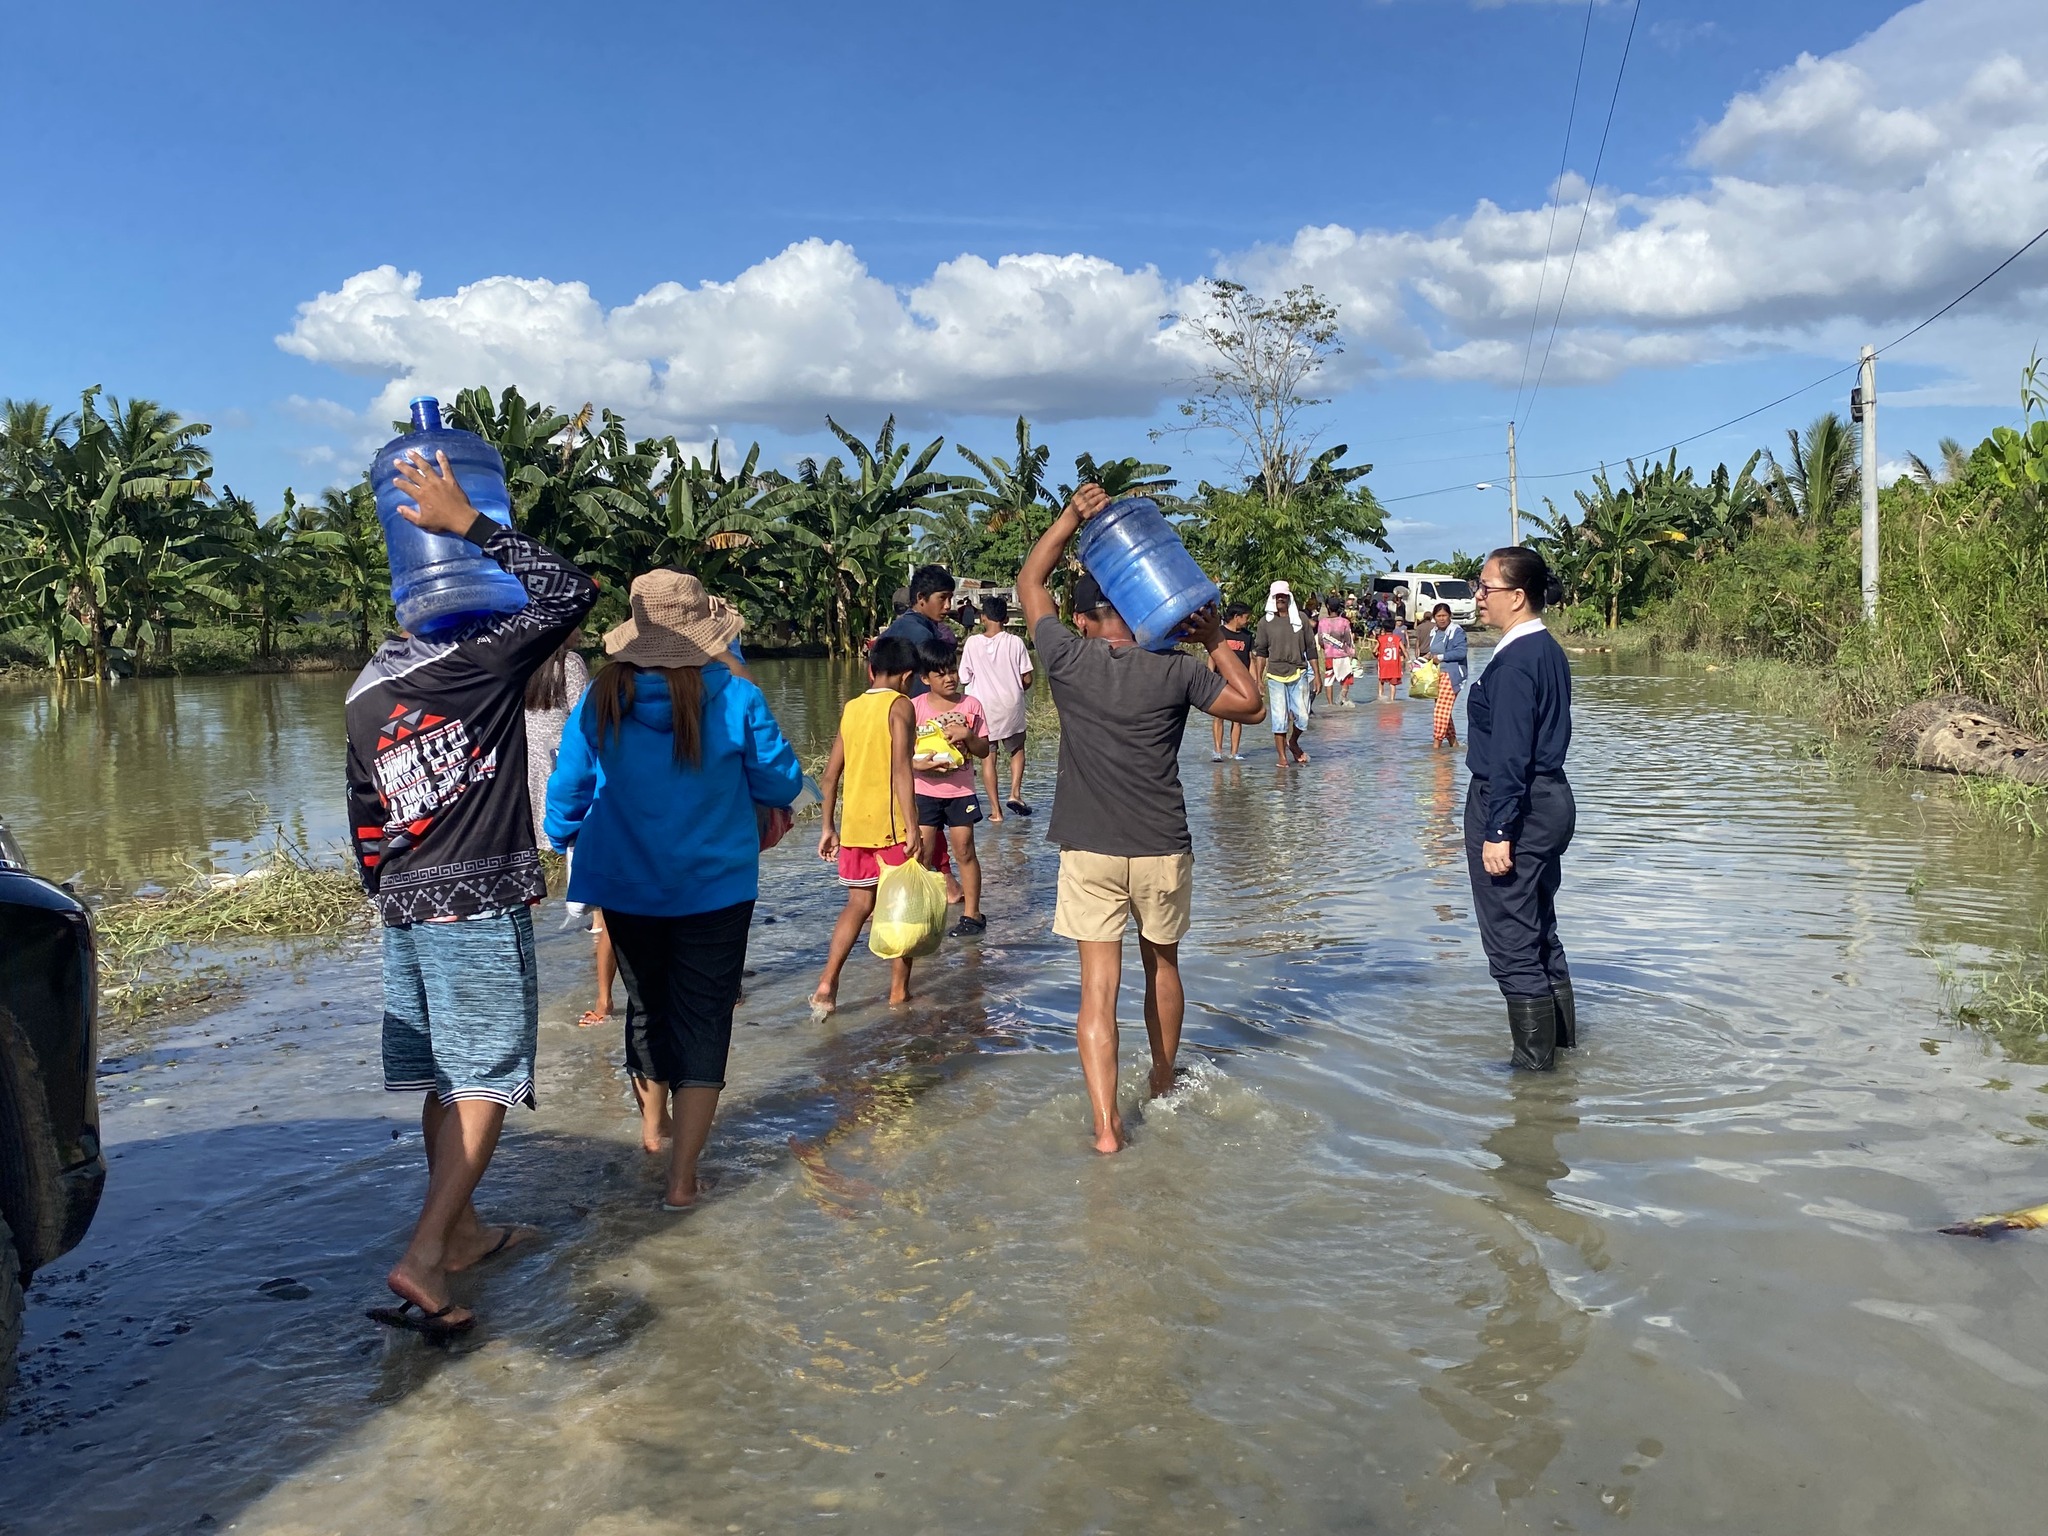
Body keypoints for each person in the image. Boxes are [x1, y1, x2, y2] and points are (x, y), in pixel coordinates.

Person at [345, 447, 598, 1339]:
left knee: (446, 1080)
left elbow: (365, 818)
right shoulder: (479, 665)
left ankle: (461, 1233)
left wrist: (396, 893)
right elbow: (571, 595)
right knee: (487, 1081)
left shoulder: (370, 683)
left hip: (407, 911)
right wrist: (477, 526)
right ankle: (423, 1258)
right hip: (476, 906)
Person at [1020, 484, 1267, 1154]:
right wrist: (1216, 638)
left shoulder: (1068, 661)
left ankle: (1106, 1129)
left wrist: (1071, 517)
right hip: (1160, 846)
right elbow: (1252, 708)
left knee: (1097, 991)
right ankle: (1162, 1081)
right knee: (1163, 965)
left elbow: (1030, 579)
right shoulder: (1178, 673)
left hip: (1090, 849)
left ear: (1091, 619)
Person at [543, 570, 802, 1207]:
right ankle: (684, 1180)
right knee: (704, 1019)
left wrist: (561, 836)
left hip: (626, 886)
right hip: (716, 887)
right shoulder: (736, 697)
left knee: (647, 1004)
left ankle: (653, 1130)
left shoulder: (603, 695)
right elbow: (781, 783)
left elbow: (567, 788)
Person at [1466, 546, 1577, 1071]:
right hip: (1549, 800)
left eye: (1485, 587)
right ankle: (1563, 1057)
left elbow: (1511, 753)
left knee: (1512, 943)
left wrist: (1498, 829)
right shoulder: (1546, 650)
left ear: (1517, 596)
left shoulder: (1514, 663)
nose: (1478, 596)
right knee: (1538, 931)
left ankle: (1535, 1085)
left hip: (1516, 804)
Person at [812, 636, 926, 1010]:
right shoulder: (901, 706)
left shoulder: (852, 708)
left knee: (858, 905)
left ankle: (828, 984)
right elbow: (901, 770)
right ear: (907, 676)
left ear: (870, 670)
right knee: (901, 911)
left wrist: (828, 827)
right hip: (891, 828)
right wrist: (913, 827)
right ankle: (898, 993)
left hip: (855, 828)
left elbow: (830, 776)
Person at [911, 637, 991, 938]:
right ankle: (922, 913)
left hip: (960, 792)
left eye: (952, 671)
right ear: (925, 678)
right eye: (940, 674)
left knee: (965, 849)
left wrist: (967, 736)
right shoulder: (913, 707)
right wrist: (916, 764)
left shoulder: (971, 705)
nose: (949, 678)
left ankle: (972, 914)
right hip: (924, 792)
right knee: (923, 854)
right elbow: (901, 752)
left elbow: (983, 750)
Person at [960, 594, 1034, 818]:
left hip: (983, 707)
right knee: (1017, 749)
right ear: (1006, 619)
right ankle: (1015, 793)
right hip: (1010, 704)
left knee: (988, 758)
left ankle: (995, 811)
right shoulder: (1015, 642)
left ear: (983, 618)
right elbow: (1027, 678)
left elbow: (964, 677)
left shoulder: (972, 643)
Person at [1251, 581, 1323, 765]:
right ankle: (1282, 758)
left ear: (1289, 597)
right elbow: (1261, 652)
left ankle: (1293, 742)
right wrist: (1258, 679)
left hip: (1298, 672)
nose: (1280, 599)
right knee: (1279, 718)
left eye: (1283, 596)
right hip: (1275, 675)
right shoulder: (1265, 623)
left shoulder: (1300, 619)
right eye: (1277, 596)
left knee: (1303, 716)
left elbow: (1310, 648)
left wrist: (1317, 675)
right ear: (1272, 598)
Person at [881, 565, 957, 697]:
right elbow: (925, 692)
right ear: (921, 597)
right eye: (942, 598)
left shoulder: (892, 629)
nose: (948, 605)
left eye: (950, 598)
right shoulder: (923, 636)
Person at [1210, 602, 1255, 760]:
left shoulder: (1247, 636)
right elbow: (1212, 656)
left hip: (1240, 683)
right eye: (1246, 617)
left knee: (1237, 718)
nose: (1247, 621)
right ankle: (1218, 751)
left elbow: (1250, 660)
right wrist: (1210, 677)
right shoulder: (1219, 633)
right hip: (1220, 681)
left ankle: (1235, 752)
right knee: (1219, 716)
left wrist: (1255, 682)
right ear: (1237, 617)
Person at [1427, 602, 1470, 750]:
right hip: (1436, 675)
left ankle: (1436, 745)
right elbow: (1432, 651)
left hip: (1451, 675)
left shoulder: (1456, 631)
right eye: (1438, 616)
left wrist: (1441, 656)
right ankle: (1453, 743)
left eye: (1444, 615)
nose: (1441, 619)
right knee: (1444, 711)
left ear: (1450, 616)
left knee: (1440, 711)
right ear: (1434, 617)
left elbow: (1461, 652)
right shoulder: (1434, 632)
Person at [1317, 595, 1358, 707]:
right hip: (1343, 656)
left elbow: (1320, 640)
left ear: (1328, 607)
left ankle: (1330, 704)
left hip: (1329, 656)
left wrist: (1325, 647)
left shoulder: (1322, 622)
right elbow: (1348, 640)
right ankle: (1342, 700)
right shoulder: (1345, 622)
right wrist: (1353, 653)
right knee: (1345, 679)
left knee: (1329, 679)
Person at [1374, 620, 1407, 703]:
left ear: (1384, 629)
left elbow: (1374, 650)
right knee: (1393, 683)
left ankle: (1380, 696)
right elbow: (1404, 650)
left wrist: (1377, 656)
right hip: (1394, 663)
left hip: (1383, 663)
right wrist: (1409, 661)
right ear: (1394, 628)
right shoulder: (1397, 639)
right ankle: (1392, 700)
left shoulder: (1380, 639)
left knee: (1381, 680)